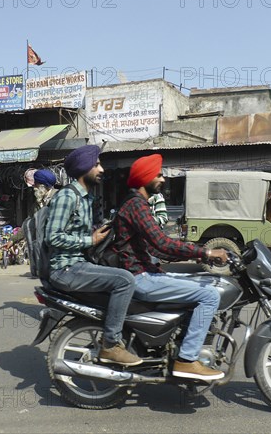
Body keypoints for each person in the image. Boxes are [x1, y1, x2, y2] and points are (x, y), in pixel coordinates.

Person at [112, 154, 228, 381]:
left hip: (145, 272)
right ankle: (187, 360)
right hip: (140, 278)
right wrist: (205, 252)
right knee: (210, 296)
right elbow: (161, 242)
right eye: (158, 174)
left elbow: (156, 249)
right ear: (145, 178)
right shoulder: (136, 205)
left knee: (202, 281)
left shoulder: (137, 203)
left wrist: (194, 255)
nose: (163, 179)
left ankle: (180, 342)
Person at [46, 145, 142, 366]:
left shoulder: (86, 199)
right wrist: (90, 240)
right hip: (65, 268)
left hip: (78, 264)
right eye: (96, 164)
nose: (102, 169)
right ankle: (111, 344)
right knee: (124, 281)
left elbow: (76, 231)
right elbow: (52, 237)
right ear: (83, 167)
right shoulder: (67, 197)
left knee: (127, 274)